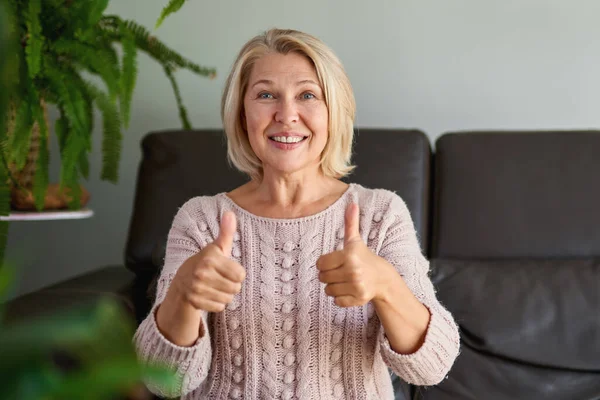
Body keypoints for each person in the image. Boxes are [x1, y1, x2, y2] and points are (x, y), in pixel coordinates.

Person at [133, 28, 460, 400]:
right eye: (266, 95)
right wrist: (182, 295)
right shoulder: (200, 219)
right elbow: (162, 381)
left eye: (307, 95)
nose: (286, 115)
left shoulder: (380, 214)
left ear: (334, 113)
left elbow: (432, 366)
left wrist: (386, 286)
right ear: (242, 114)